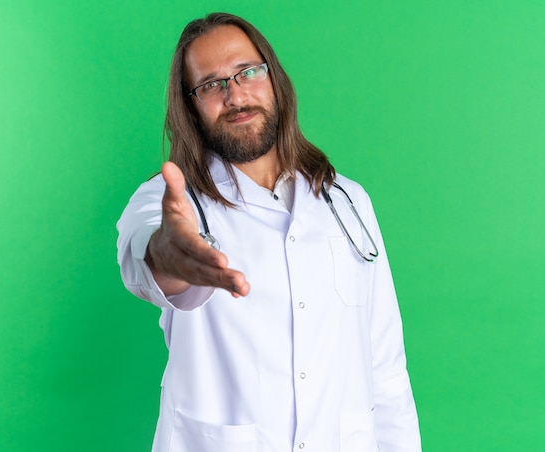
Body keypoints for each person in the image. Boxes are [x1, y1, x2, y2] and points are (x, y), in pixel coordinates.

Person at [117, 12, 421, 452]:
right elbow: (143, 255)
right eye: (211, 85)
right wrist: (171, 254)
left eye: (247, 72)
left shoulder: (348, 202)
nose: (234, 94)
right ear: (192, 107)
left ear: (273, 77)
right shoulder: (170, 198)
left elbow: (386, 367)